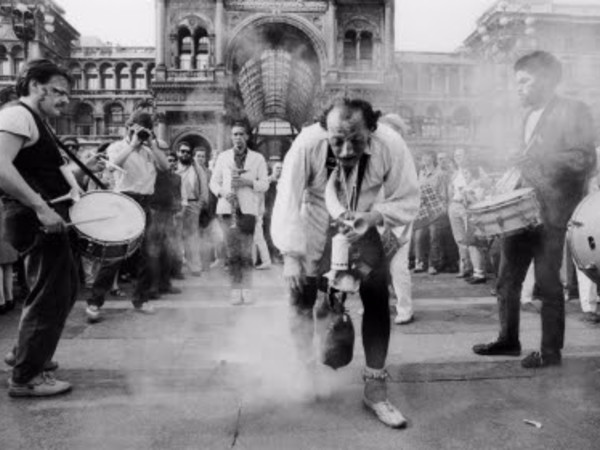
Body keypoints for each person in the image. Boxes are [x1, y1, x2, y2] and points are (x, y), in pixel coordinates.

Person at [271, 98, 419, 428]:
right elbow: (287, 198)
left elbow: (408, 197)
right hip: (313, 224)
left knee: (378, 299)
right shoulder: (308, 143)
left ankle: (376, 389)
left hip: (364, 223)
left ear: (373, 130)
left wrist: (376, 215)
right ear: (325, 131)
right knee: (300, 298)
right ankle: (305, 370)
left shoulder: (390, 144)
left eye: (357, 139)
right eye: (338, 140)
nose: (348, 150)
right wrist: (291, 256)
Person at [473, 51, 596, 368]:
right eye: (517, 82)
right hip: (522, 212)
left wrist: (541, 157)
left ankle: (551, 352)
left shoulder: (574, 110)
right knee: (506, 279)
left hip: (553, 213)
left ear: (547, 78)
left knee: (547, 283)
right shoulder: (524, 116)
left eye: (525, 81)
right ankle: (508, 339)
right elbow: (526, 161)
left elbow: (585, 160)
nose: (519, 88)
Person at [0, 59, 90, 396]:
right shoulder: (17, 115)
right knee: (49, 296)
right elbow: (0, 167)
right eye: (59, 92)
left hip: (50, 217)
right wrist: (40, 207)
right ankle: (26, 377)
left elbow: (35, 169)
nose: (66, 100)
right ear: (35, 86)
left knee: (62, 290)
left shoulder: (34, 120)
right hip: (38, 219)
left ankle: (28, 352)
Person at [85, 111, 169, 322]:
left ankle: (141, 299)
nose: (139, 134)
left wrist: (151, 144)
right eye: (136, 129)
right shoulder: (118, 147)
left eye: (144, 130)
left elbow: (165, 167)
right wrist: (132, 144)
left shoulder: (150, 150)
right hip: (124, 201)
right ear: (128, 127)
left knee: (149, 254)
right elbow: (114, 166)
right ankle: (94, 302)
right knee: (113, 255)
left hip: (146, 202)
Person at [210, 121, 269, 305]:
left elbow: (265, 184)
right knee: (232, 252)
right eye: (235, 134)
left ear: (247, 137)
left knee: (246, 252)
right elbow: (214, 182)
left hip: (248, 211)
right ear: (231, 137)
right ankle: (236, 290)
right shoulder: (223, 157)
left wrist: (248, 183)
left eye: (241, 134)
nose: (238, 138)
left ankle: (247, 289)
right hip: (227, 210)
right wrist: (223, 193)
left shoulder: (258, 158)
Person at [379, 113, 417, 325]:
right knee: (375, 264)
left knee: (398, 264)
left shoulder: (403, 155)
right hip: (378, 215)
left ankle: (405, 308)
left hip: (398, 216)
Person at [447, 148, 489, 284]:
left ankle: (479, 272)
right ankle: (466, 268)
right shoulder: (454, 173)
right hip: (455, 205)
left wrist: (471, 188)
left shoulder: (476, 169)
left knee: (472, 239)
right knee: (460, 239)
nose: (457, 157)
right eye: (455, 155)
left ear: (467, 156)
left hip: (468, 206)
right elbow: (451, 190)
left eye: (460, 154)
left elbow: (487, 183)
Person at [176, 142, 209, 276]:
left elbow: (204, 187)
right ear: (178, 152)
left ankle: (195, 267)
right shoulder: (173, 166)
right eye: (182, 151)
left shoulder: (197, 168)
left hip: (193, 205)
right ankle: (176, 269)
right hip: (177, 205)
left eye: (188, 152)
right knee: (176, 237)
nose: (185, 154)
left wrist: (200, 204)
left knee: (192, 237)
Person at [413, 150, 447, 275]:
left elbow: (443, 193)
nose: (425, 160)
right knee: (418, 237)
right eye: (423, 157)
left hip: (435, 210)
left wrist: (442, 208)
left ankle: (433, 265)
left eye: (427, 157)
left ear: (432, 158)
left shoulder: (440, 174)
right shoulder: (420, 173)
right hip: (422, 211)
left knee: (434, 237)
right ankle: (419, 262)